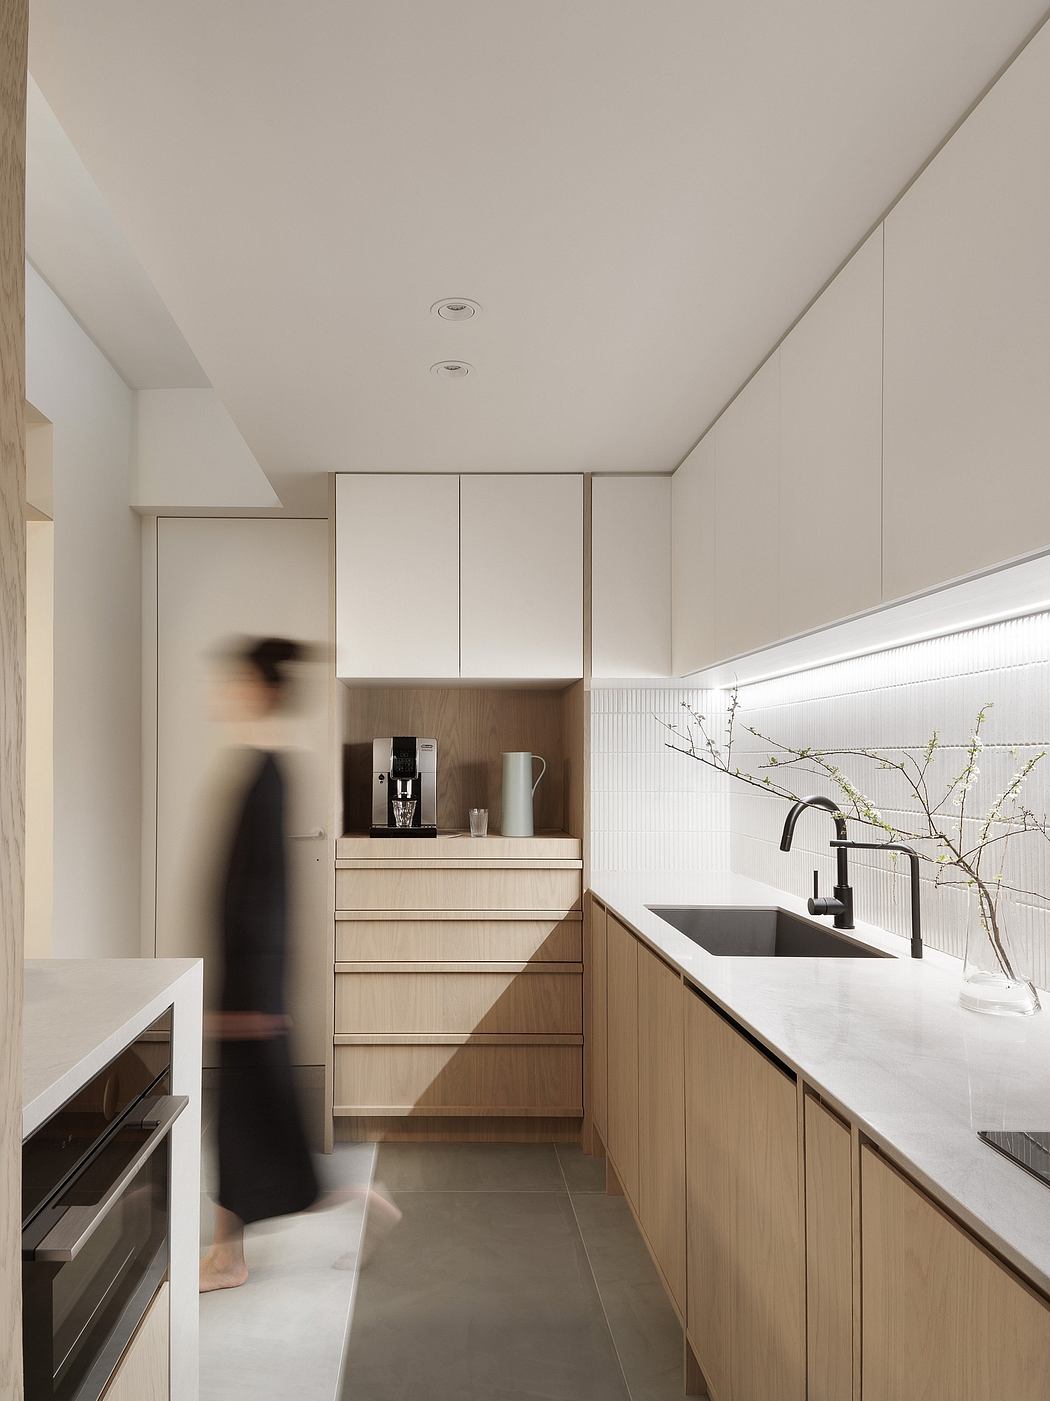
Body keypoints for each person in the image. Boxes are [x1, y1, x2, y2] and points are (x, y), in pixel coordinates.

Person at [199, 636, 319, 1292]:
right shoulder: (259, 768)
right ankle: (227, 1252)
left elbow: (265, 895)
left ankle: (228, 1257)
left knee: (249, 1121)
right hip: (246, 982)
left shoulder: (266, 775)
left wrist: (253, 996)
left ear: (261, 689)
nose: (225, 692)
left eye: (237, 680)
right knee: (253, 1120)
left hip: (250, 986)